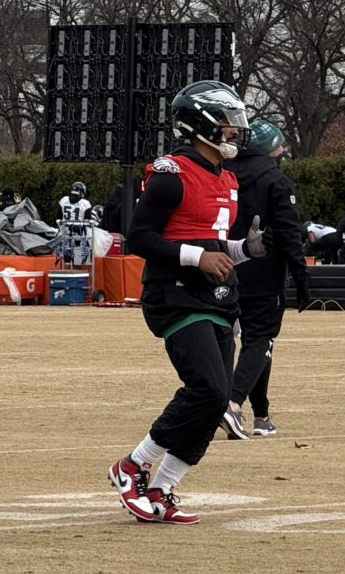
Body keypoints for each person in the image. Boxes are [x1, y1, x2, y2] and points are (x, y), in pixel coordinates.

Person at [106, 80, 264, 525]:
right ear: (203, 125)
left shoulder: (228, 178)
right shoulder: (172, 173)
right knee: (209, 389)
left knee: (218, 403)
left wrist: (244, 251)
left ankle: (164, 485)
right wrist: (199, 257)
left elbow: (213, 246)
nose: (237, 131)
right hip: (175, 296)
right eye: (229, 124)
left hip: (216, 298)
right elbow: (140, 237)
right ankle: (133, 465)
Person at [222, 120, 311, 439]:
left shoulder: (224, 174)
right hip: (264, 271)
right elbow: (288, 232)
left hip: (226, 267)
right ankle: (232, 404)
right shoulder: (275, 180)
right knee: (260, 338)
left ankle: (261, 414)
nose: (284, 151)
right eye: (280, 146)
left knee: (254, 343)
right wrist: (301, 275)